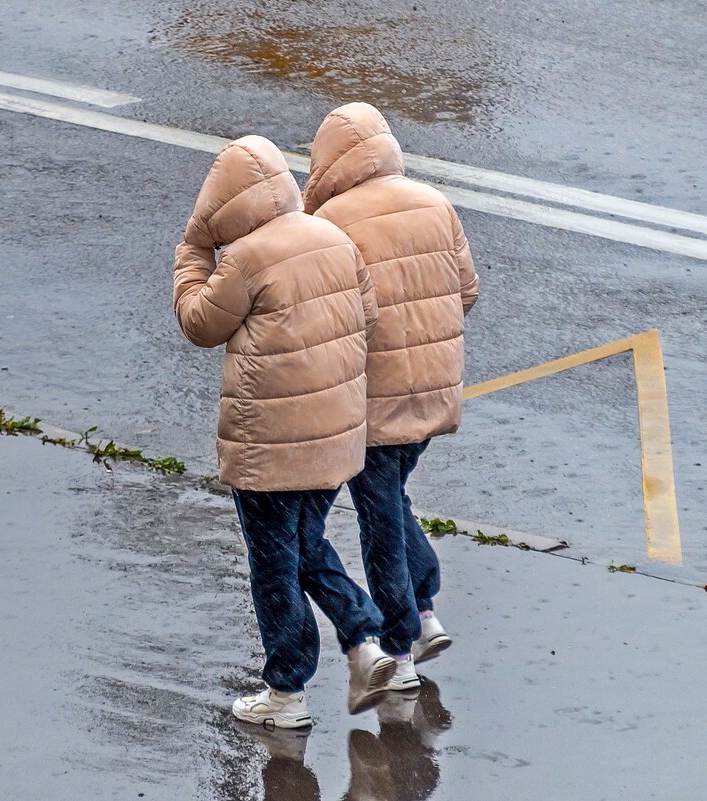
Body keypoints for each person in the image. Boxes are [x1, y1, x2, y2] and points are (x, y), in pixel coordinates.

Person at [173, 134, 396, 728]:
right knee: (305, 544)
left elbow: (198, 323)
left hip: (269, 444)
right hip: (337, 437)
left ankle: (286, 693)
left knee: (274, 564)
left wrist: (193, 256)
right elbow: (368, 317)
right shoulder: (334, 237)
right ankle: (363, 640)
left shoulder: (247, 258)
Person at [303, 103, 480, 690]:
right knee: (390, 495)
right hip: (434, 388)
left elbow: (326, 317)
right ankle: (425, 605)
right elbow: (467, 293)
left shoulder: (331, 222)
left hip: (372, 396)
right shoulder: (435, 202)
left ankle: (401, 646)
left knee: (378, 514)